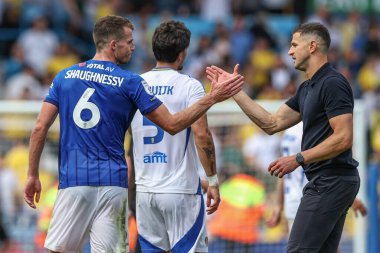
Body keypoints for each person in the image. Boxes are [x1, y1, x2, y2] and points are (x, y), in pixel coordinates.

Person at [23, 15, 244, 253]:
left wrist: (32, 174)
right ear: (113, 45)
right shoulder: (129, 82)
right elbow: (172, 125)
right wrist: (213, 97)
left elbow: (39, 128)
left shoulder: (65, 77)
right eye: (129, 41)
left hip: (81, 181)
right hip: (119, 184)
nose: (133, 46)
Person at [207, 22, 361, 253]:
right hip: (327, 180)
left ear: (311, 46)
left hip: (331, 180)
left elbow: (343, 138)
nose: (289, 51)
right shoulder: (307, 87)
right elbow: (271, 123)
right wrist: (234, 92)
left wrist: (297, 159)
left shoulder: (332, 83)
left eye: (294, 45)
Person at [130, 20, 221, 253]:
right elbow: (202, 135)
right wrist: (212, 180)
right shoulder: (190, 86)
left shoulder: (135, 84)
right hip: (180, 192)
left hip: (145, 192)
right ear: (182, 55)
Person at [266, 123, 367, 251]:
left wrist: (279, 205)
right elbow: (329, 167)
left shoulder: (288, 132)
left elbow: (284, 170)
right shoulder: (314, 129)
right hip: (312, 201)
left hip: (297, 201)